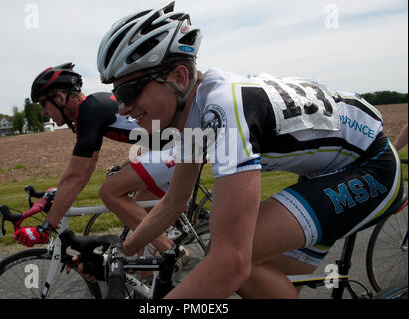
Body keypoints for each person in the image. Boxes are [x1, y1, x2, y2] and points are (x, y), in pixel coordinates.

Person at [96, 1, 405, 298]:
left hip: (371, 165)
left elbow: (229, 263)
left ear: (179, 76)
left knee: (233, 256)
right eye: (117, 95)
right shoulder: (195, 114)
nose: (123, 109)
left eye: (129, 92)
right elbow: (173, 203)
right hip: (326, 171)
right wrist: (119, 256)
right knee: (256, 278)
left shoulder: (223, 109)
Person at [13, 63, 181, 265]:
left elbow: (77, 176)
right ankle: (146, 277)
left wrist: (46, 228)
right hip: (171, 148)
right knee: (138, 215)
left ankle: (173, 252)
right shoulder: (91, 108)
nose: (43, 112)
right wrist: (59, 192)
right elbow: (87, 168)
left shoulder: (90, 110)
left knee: (109, 192)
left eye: (43, 104)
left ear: (59, 98)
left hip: (178, 148)